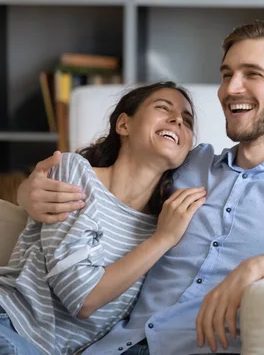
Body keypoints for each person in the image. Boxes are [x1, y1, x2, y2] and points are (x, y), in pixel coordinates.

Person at [16, 20, 264, 355]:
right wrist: (28, 194)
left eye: (252, 74)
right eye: (226, 73)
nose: (231, 88)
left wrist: (255, 268)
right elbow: (107, 182)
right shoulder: (187, 162)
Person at [1, 82, 205, 355]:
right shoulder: (76, 173)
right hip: (11, 325)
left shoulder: (168, 220)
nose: (177, 120)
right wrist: (162, 240)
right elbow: (81, 297)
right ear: (123, 125)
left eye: (187, 121)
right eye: (162, 108)